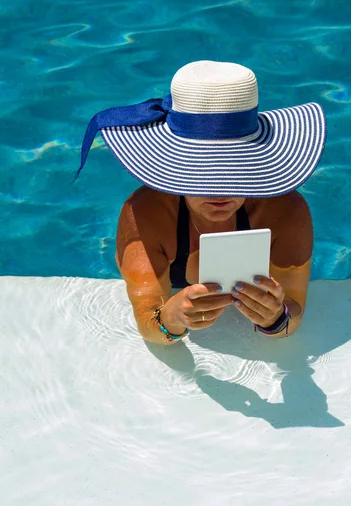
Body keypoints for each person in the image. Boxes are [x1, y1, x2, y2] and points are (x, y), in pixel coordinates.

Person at [76, 60, 327, 345]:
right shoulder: (147, 214)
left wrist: (276, 318)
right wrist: (171, 319)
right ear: (175, 165)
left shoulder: (284, 211)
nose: (219, 190)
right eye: (201, 172)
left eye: (235, 169)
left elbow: (293, 309)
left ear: (256, 166)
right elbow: (148, 321)